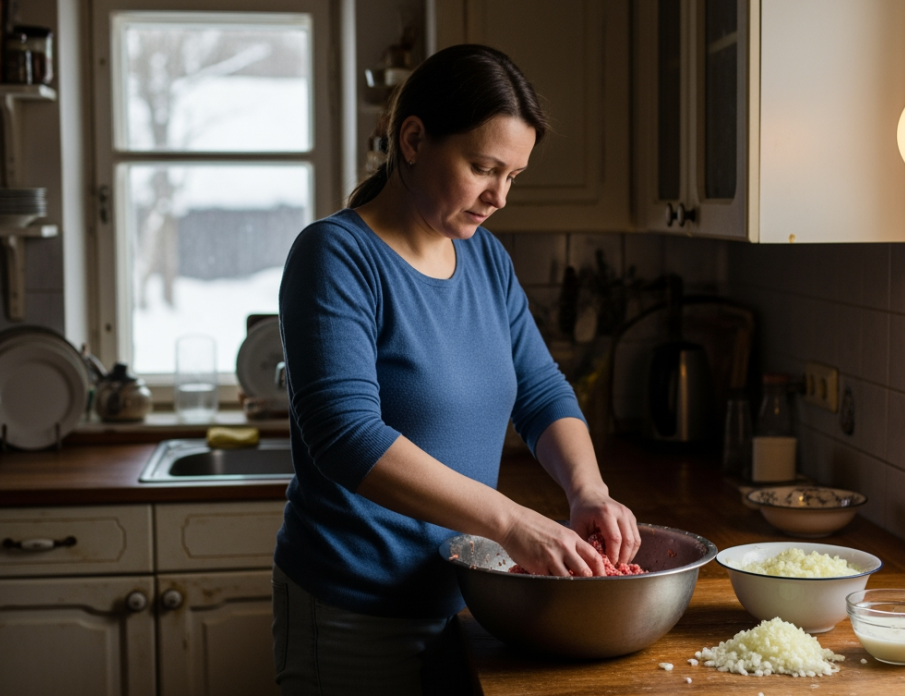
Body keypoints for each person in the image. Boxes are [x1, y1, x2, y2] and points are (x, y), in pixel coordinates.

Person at [271, 44, 640, 695]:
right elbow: (345, 436)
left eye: (513, 176)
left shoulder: (486, 260)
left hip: (467, 600)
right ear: (413, 140)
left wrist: (588, 489)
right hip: (354, 613)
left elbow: (541, 389)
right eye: (483, 168)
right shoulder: (336, 256)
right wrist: (509, 521)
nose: (499, 196)